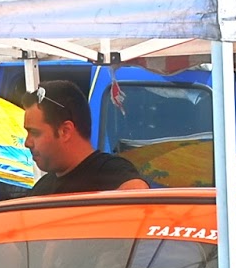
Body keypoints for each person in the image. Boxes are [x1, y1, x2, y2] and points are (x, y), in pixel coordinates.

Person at [21, 79, 149, 195]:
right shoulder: (41, 189)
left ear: (65, 131)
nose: (27, 143)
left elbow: (138, 193)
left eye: (35, 133)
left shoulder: (112, 173)